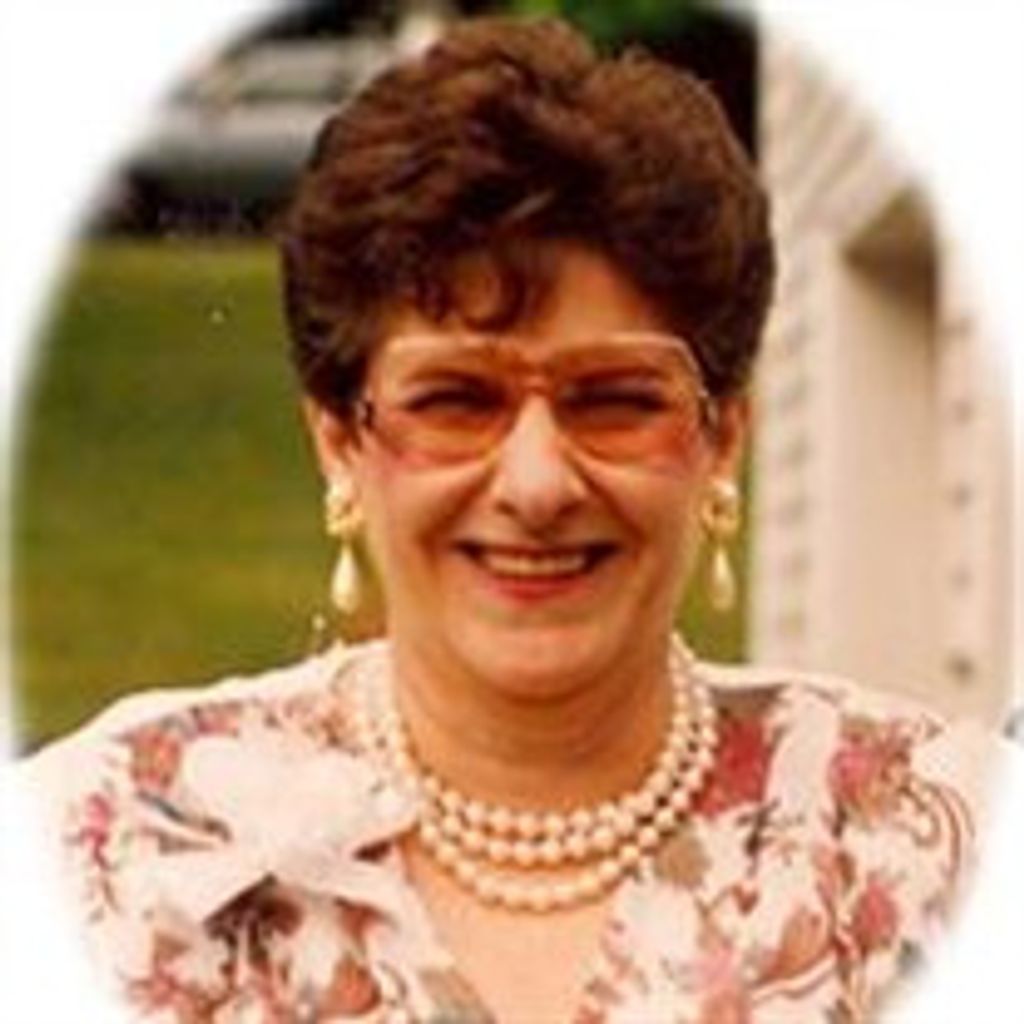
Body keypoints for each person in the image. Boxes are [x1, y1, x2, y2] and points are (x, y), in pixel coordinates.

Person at [19, 16, 988, 1023]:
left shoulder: (933, 849)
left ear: (722, 437)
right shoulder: (102, 859)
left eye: (615, 398)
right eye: (455, 400)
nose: (536, 484)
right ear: (339, 441)